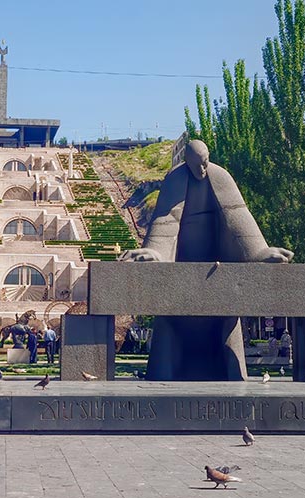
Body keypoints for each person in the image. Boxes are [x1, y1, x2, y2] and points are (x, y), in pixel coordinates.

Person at [119, 140, 293, 381]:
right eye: (197, 165)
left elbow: (238, 215)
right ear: (186, 162)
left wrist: (258, 253)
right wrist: (155, 253)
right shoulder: (175, 179)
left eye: (205, 163)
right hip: (179, 280)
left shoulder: (220, 176)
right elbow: (165, 220)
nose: (202, 170)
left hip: (217, 274)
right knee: (170, 324)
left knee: (225, 322)